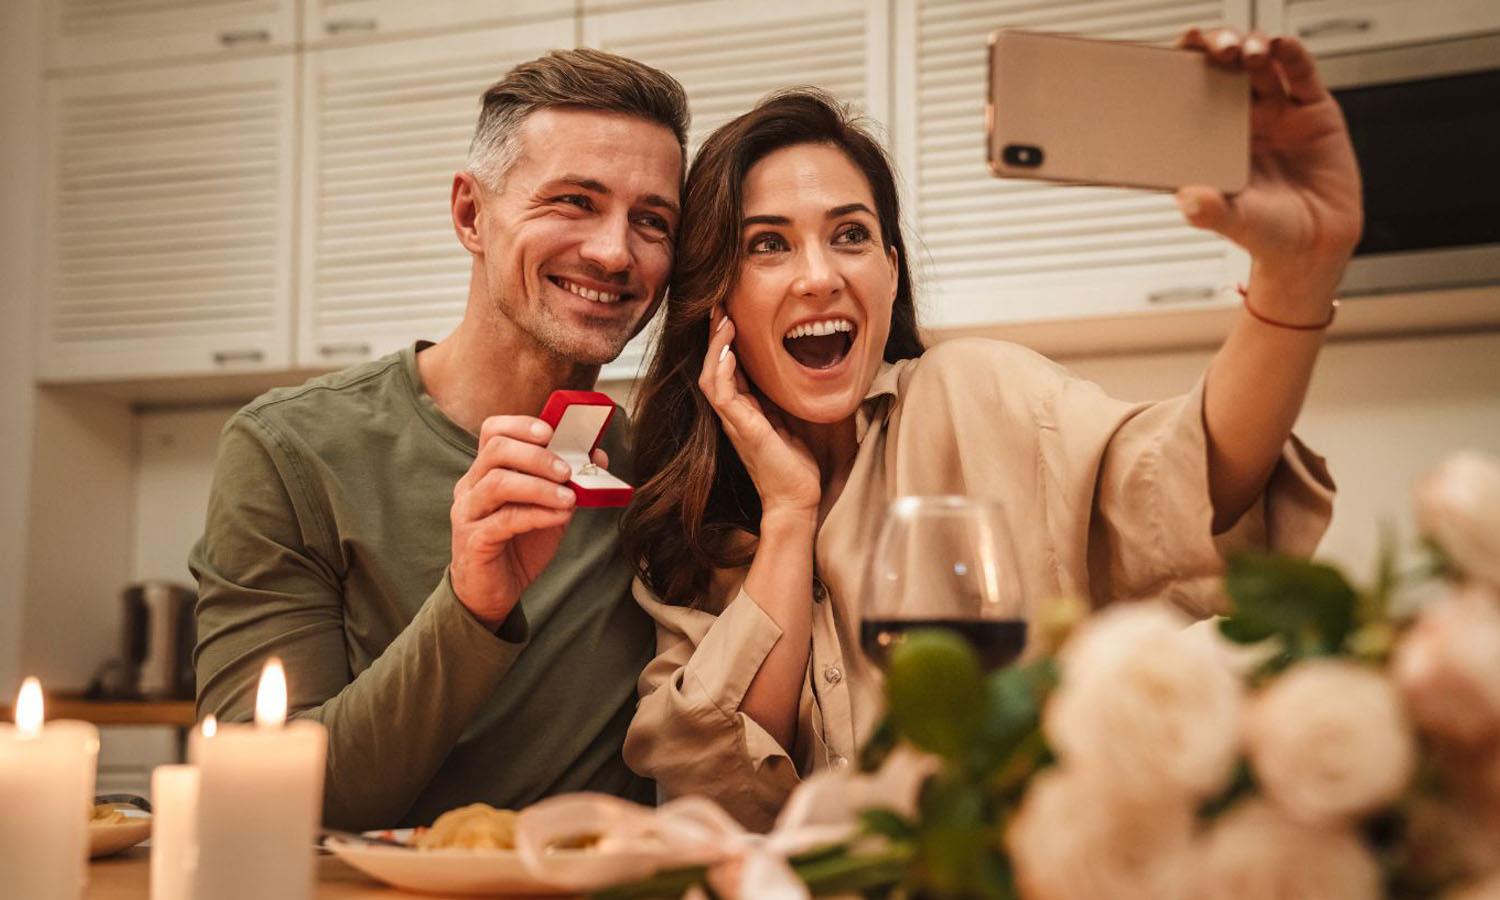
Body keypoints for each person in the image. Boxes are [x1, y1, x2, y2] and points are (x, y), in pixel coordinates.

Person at [620, 26, 1353, 831]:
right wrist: (790, 515)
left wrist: (1294, 276)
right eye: (768, 245)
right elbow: (724, 785)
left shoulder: (974, 393)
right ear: (714, 298)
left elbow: (1183, 485)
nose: (820, 276)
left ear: (891, 272)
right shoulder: (689, 522)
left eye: (851, 235)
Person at [190, 49, 689, 830]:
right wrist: (470, 605)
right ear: (470, 215)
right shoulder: (289, 450)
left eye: (651, 221)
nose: (614, 252)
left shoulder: (666, 471)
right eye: (573, 201)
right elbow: (265, 803)